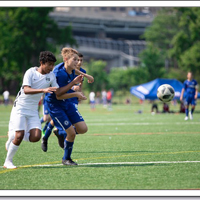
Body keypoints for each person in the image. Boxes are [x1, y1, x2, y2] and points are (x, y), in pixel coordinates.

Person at [3, 51, 59, 169]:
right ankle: (8, 161)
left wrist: (73, 86)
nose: (51, 67)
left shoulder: (51, 75)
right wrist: (43, 90)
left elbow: (57, 91)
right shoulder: (30, 72)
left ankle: (13, 134)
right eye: (49, 64)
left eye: (53, 65)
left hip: (33, 110)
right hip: (20, 108)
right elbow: (26, 90)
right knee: (20, 135)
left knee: (36, 137)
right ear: (41, 63)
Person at [44, 47, 93, 165]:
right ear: (66, 59)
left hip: (67, 102)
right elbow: (59, 96)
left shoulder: (70, 68)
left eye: (78, 60)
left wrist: (86, 76)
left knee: (83, 129)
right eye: (75, 60)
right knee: (71, 133)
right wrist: (76, 92)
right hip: (55, 105)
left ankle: (61, 133)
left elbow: (76, 71)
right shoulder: (59, 74)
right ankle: (66, 158)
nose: (78, 63)